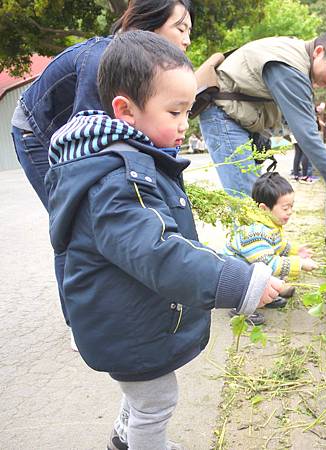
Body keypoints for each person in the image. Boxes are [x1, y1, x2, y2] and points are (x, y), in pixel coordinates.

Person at [45, 31, 283, 450]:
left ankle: (125, 438)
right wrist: (238, 282)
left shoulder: (119, 161)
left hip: (121, 313)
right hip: (124, 324)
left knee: (140, 396)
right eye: (174, 111)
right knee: (156, 402)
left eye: (188, 111)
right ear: (126, 111)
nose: (184, 124)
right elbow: (159, 252)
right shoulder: (117, 181)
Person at [10, 0, 194, 336]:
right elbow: (89, 144)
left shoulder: (148, 70)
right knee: (74, 219)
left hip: (73, 130)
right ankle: (81, 323)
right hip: (37, 132)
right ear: (148, 22)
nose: (187, 40)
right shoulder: (104, 60)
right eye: (180, 28)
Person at [199, 28, 326, 202]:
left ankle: (262, 232)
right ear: (318, 52)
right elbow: (306, 132)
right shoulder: (290, 68)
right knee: (248, 204)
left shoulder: (297, 56)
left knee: (258, 199)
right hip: (223, 116)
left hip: (240, 118)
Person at [225, 172, 318, 324]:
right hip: (234, 278)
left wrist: (295, 251)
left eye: (291, 207)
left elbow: (277, 245)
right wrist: (299, 264)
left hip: (252, 268)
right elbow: (268, 263)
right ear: (264, 208)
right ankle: (242, 308)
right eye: (285, 208)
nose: (290, 212)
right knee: (268, 272)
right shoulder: (254, 232)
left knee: (272, 272)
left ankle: (264, 296)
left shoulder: (270, 224)